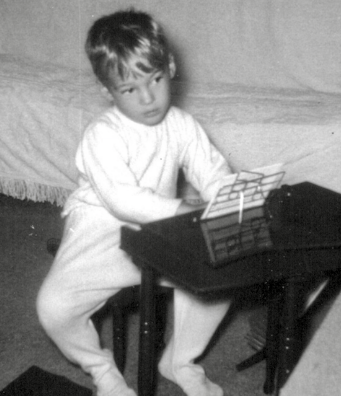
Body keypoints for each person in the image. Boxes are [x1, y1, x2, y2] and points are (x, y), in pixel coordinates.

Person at [36, 8, 232, 396]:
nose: (148, 98)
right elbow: (122, 199)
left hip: (162, 229)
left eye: (155, 79)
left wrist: (227, 197)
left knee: (221, 278)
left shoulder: (183, 125)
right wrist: (183, 209)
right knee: (53, 307)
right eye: (129, 89)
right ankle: (101, 368)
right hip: (103, 231)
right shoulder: (102, 134)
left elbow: (213, 172)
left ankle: (180, 359)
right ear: (107, 90)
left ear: (170, 66)